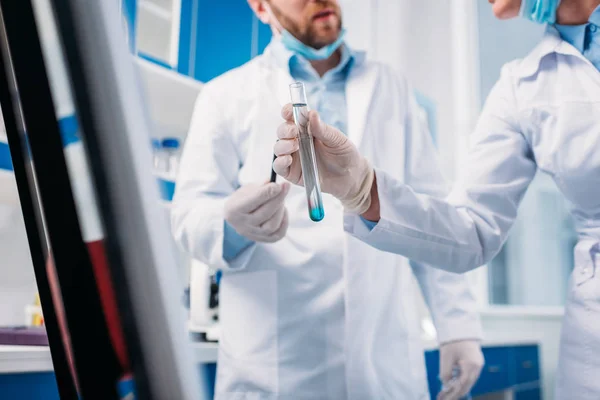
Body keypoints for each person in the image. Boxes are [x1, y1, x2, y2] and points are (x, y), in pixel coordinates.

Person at [273, 0, 600, 398]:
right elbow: (470, 230)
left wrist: (456, 323)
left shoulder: (388, 82)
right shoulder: (522, 85)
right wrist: (362, 190)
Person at [171, 1, 485, 399]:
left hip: (382, 354)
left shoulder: (391, 86)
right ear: (261, 7)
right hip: (276, 362)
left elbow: (428, 210)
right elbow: (188, 214)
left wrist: (457, 324)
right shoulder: (225, 95)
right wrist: (232, 226)